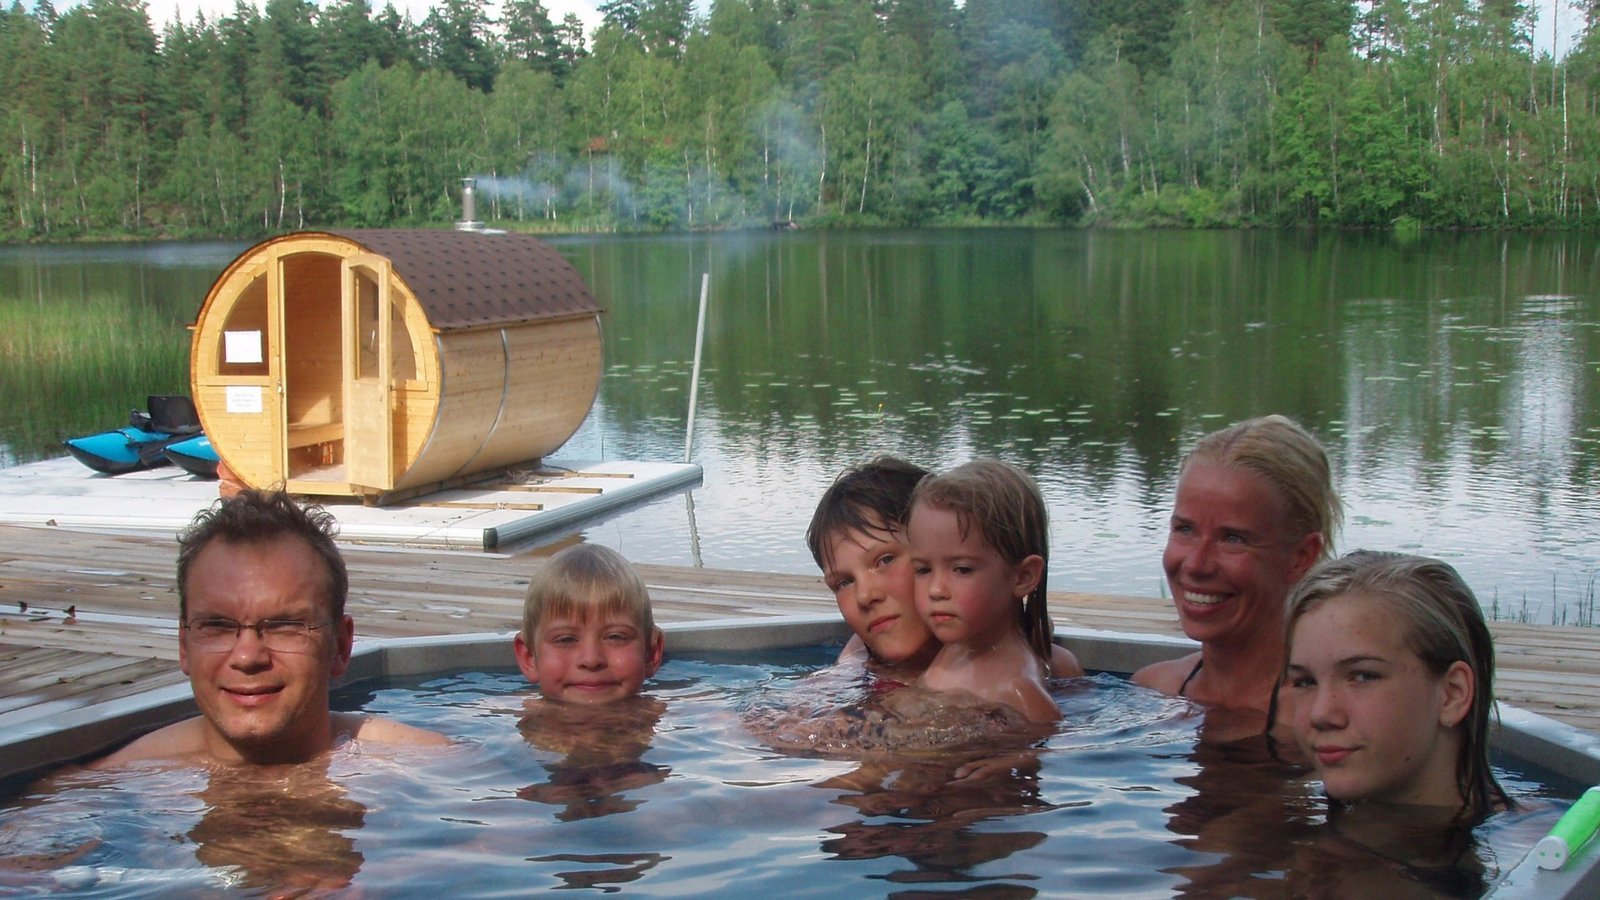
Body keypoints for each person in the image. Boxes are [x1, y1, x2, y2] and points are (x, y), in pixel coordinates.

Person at [95, 489, 449, 767]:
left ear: (340, 646)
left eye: (284, 626)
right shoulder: (113, 787)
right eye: (217, 626)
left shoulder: (428, 768)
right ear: (184, 646)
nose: (247, 657)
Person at [1133, 415, 1341, 724]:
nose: (1196, 564)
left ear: (1301, 556)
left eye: (1232, 538)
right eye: (1185, 529)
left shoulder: (1322, 720)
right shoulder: (1152, 691)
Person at [806, 455, 1082, 685]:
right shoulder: (855, 665)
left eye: (886, 560)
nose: (865, 596)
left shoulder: (1043, 670)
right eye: (844, 582)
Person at [1277, 550, 1509, 819]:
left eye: (1362, 676)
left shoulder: (1533, 841)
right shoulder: (1274, 814)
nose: (1321, 714)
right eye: (1306, 682)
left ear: (1452, 694)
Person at [907, 459, 1070, 723]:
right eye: (923, 569)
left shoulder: (1017, 689)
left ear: (1023, 577)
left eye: (962, 569)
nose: (936, 590)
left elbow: (1054, 741)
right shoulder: (959, 647)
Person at [513, 543, 665, 704]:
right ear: (529, 658)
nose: (591, 660)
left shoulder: (673, 712)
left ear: (651, 653)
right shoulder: (505, 711)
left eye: (616, 637)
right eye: (566, 639)